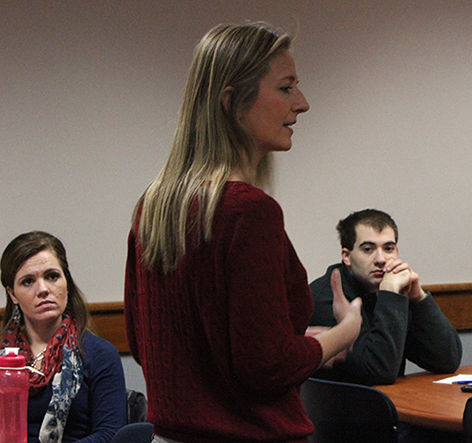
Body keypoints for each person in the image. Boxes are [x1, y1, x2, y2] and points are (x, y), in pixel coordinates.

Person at [124, 22, 362, 443]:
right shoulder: (248, 213)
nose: (302, 103)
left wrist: (292, 340)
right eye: (286, 87)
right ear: (233, 102)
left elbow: (152, 348)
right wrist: (345, 331)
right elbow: (266, 367)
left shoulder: (154, 207)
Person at [309, 209, 462, 386]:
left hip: (387, 406)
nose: (381, 259)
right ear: (347, 256)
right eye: (368, 249)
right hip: (339, 408)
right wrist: (389, 295)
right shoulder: (326, 297)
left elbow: (447, 360)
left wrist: (418, 298)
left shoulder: (395, 290)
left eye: (388, 248)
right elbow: (377, 372)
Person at [1, 231, 126, 442]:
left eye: (52, 276)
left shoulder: (99, 354)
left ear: (66, 282)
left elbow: (110, 434)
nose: (43, 289)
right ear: (12, 294)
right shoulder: (4, 358)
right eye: (28, 281)